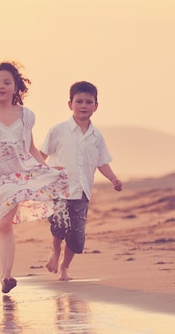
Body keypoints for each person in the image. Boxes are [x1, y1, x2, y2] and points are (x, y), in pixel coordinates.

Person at [0, 61, 70, 293]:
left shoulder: (26, 115)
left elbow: (30, 148)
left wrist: (47, 169)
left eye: (7, 82)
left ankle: (5, 277)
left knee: (3, 225)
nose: (1, 86)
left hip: (18, 176)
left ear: (16, 87)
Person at [40, 81, 123, 281]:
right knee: (60, 222)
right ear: (70, 104)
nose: (83, 106)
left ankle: (65, 267)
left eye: (88, 102)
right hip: (59, 189)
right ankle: (54, 250)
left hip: (82, 192)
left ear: (96, 106)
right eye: (79, 101)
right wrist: (39, 172)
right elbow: (41, 155)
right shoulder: (58, 130)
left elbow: (101, 162)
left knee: (76, 238)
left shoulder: (97, 137)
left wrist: (113, 178)